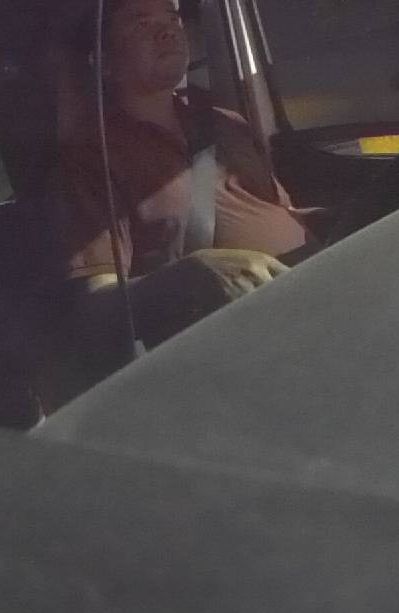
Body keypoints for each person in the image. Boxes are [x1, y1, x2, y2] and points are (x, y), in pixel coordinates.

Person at [46, 0, 319, 371]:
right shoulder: (92, 156)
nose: (167, 31)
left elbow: (281, 213)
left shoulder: (224, 121)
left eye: (172, 18)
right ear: (105, 61)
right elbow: (97, 308)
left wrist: (334, 218)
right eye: (141, 23)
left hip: (311, 297)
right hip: (234, 352)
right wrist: (192, 277)